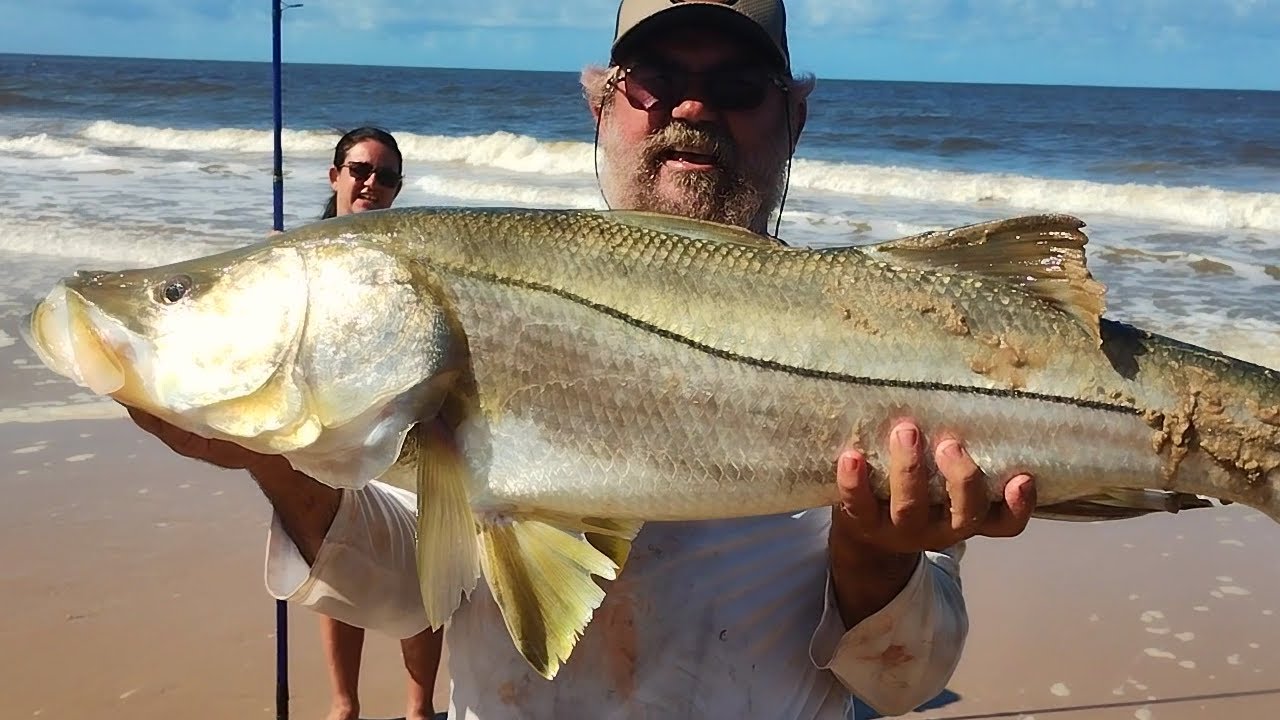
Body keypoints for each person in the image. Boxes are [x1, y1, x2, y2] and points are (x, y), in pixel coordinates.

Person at [126, 2, 1036, 718]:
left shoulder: (890, 337)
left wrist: (875, 557)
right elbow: (406, 588)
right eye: (655, 80)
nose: (691, 108)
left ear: (794, 115)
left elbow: (905, 682)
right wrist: (278, 466)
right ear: (602, 101)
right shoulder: (489, 302)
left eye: (739, 84)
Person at [307, 126, 445, 720]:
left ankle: (418, 708)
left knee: (421, 573)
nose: (370, 182)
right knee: (339, 570)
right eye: (360, 169)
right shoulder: (299, 256)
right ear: (335, 174)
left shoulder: (402, 253)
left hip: (398, 435)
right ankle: (345, 705)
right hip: (326, 435)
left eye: (385, 176)